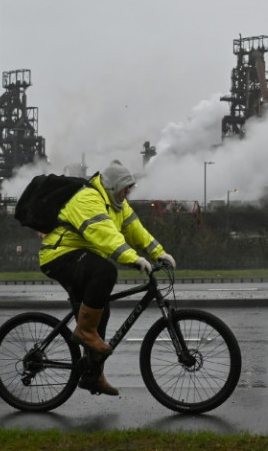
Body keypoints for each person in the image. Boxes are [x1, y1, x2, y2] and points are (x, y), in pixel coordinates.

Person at [39, 160, 176, 396]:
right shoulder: (88, 198)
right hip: (59, 255)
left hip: (80, 257)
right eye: (125, 188)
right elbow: (105, 234)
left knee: (101, 309)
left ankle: (93, 375)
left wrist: (158, 252)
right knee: (106, 271)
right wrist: (132, 258)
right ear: (113, 186)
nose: (128, 193)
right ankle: (84, 331)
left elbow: (135, 230)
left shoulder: (117, 204)